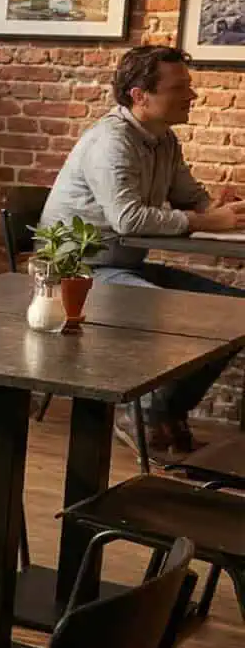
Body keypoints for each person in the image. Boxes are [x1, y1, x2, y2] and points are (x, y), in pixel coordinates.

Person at [41, 44, 245, 456]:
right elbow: (128, 219)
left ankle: (164, 413)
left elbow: (191, 198)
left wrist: (223, 209)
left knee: (237, 312)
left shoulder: (163, 139)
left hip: (122, 267)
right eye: (180, 87)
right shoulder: (111, 142)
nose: (193, 96)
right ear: (140, 95)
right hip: (79, 273)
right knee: (183, 318)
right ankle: (138, 416)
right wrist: (208, 222)